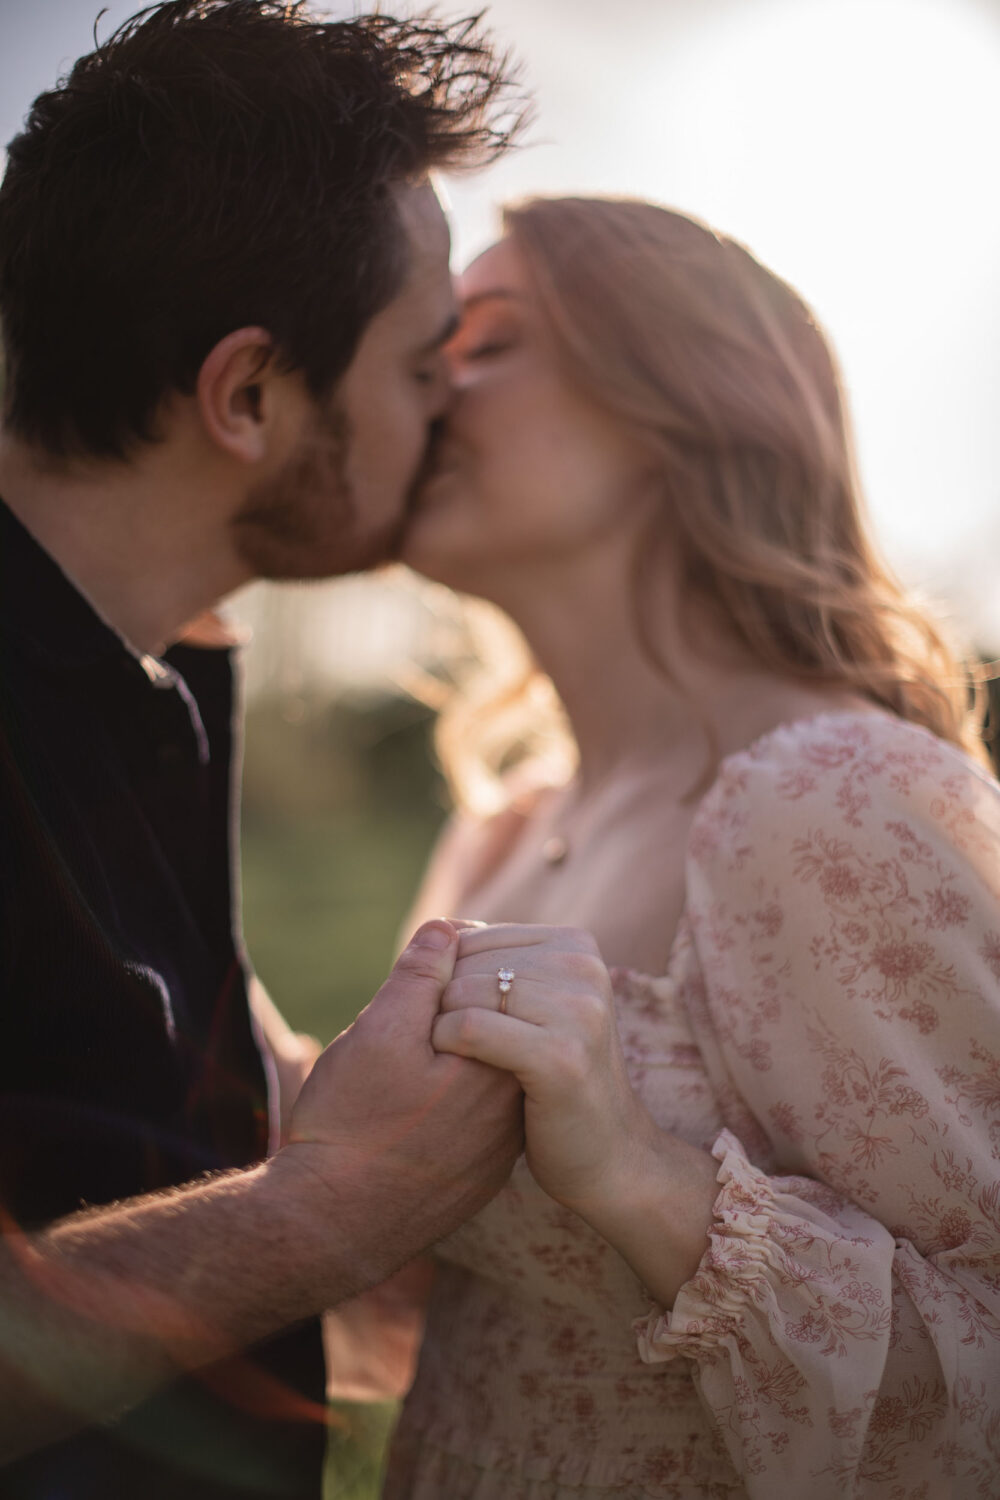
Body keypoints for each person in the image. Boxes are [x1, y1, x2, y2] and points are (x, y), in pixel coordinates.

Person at [0, 6, 613, 1497]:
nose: (451, 404)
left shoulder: (166, 679)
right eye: (418, 366)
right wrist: (333, 1206)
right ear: (250, 396)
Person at [361, 197, 1000, 1497]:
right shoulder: (500, 831)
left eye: (487, 340)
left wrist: (643, 1180)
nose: (433, 384)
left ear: (680, 400)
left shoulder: (834, 801)